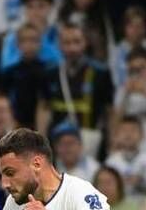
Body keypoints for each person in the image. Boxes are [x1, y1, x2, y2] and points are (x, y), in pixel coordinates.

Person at [41, 24, 112, 155]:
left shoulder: (100, 73)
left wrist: (111, 143)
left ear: (85, 43)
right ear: (59, 45)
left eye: (77, 42)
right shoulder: (50, 73)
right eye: (67, 43)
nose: (72, 48)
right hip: (57, 143)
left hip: (89, 142)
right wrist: (41, 143)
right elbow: (44, 108)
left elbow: (109, 112)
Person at [104, 115, 146, 196]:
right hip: (118, 206)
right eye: (124, 130)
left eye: (133, 130)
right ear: (117, 135)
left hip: (143, 204)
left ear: (142, 135)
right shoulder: (110, 162)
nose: (128, 134)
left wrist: (140, 183)